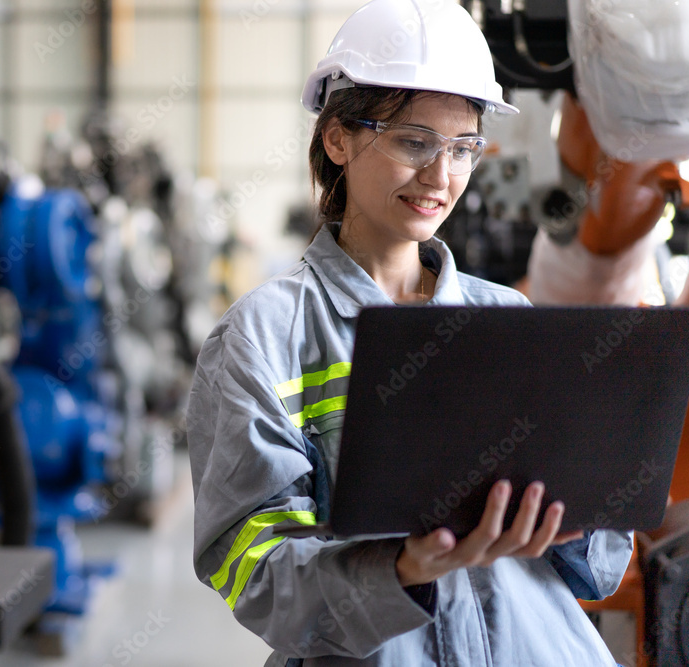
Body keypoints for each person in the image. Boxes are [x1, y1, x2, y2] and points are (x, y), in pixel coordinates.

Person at [187, 1, 633, 665]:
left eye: (462, 148)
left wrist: (568, 519)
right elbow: (252, 568)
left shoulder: (506, 315)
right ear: (338, 138)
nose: (441, 177)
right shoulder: (264, 337)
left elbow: (601, 563)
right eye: (414, 142)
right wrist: (400, 567)